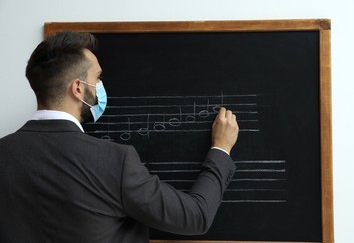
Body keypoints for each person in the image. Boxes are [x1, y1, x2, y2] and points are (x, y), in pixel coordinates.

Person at [0, 31, 239, 242]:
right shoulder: (113, 161)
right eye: (98, 77)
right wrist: (221, 149)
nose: (101, 85)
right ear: (78, 88)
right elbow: (195, 216)